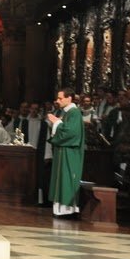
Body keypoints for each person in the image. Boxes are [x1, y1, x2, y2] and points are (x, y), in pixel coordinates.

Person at [47, 87, 85, 217]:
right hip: (63, 150)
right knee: (61, 178)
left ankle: (67, 210)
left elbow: (71, 132)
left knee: (67, 178)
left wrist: (56, 122)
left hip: (70, 152)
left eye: (60, 98)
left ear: (69, 98)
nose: (57, 100)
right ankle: (60, 209)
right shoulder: (65, 112)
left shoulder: (74, 112)